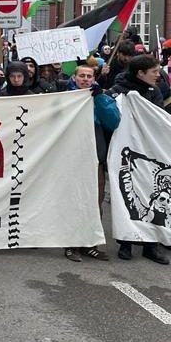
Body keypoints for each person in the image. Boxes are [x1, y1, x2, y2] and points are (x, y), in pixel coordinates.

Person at [108, 55, 169, 264]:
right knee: (126, 194)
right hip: (126, 152)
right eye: (154, 71)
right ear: (140, 73)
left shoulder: (155, 92)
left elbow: (158, 118)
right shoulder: (118, 91)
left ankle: (151, 246)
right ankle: (125, 242)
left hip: (150, 154)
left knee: (151, 194)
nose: (158, 75)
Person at [64, 65, 116, 262]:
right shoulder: (64, 97)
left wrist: (100, 98)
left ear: (94, 78)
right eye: (82, 76)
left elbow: (113, 121)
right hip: (71, 159)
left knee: (95, 202)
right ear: (74, 78)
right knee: (72, 202)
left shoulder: (100, 96)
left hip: (95, 159)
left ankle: (90, 245)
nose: (85, 79)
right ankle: (71, 245)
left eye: (89, 76)